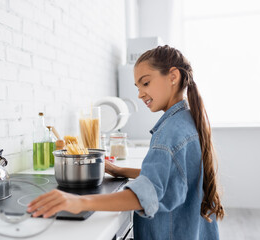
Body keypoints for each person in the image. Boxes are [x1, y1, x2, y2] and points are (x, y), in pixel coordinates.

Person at [27, 45, 225, 240]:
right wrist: (121, 171)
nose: (139, 94)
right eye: (138, 87)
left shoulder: (169, 134)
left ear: (173, 76)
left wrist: (79, 202)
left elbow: (146, 196)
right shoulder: (186, 121)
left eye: (145, 83)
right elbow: (173, 179)